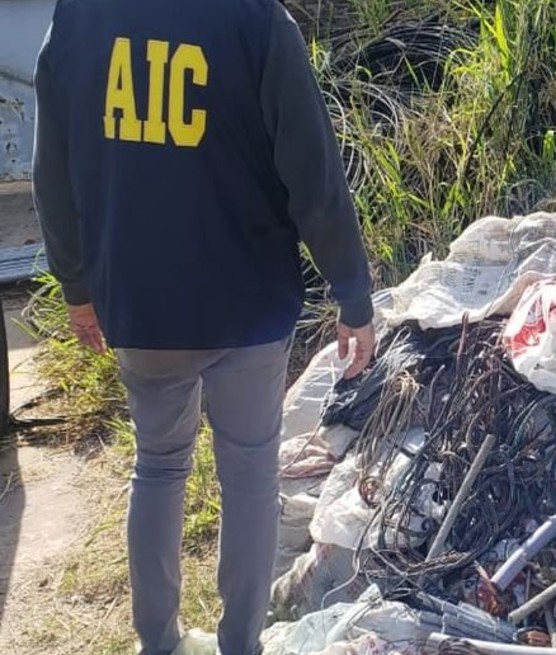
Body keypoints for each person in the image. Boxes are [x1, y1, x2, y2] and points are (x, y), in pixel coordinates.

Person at [31, 0, 376, 652]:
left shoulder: (79, 18)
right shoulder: (257, 20)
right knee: (250, 478)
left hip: (141, 303)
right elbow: (314, 175)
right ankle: (240, 643)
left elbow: (51, 169)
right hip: (248, 305)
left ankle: (158, 641)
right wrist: (352, 292)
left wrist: (76, 284)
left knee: (159, 466)